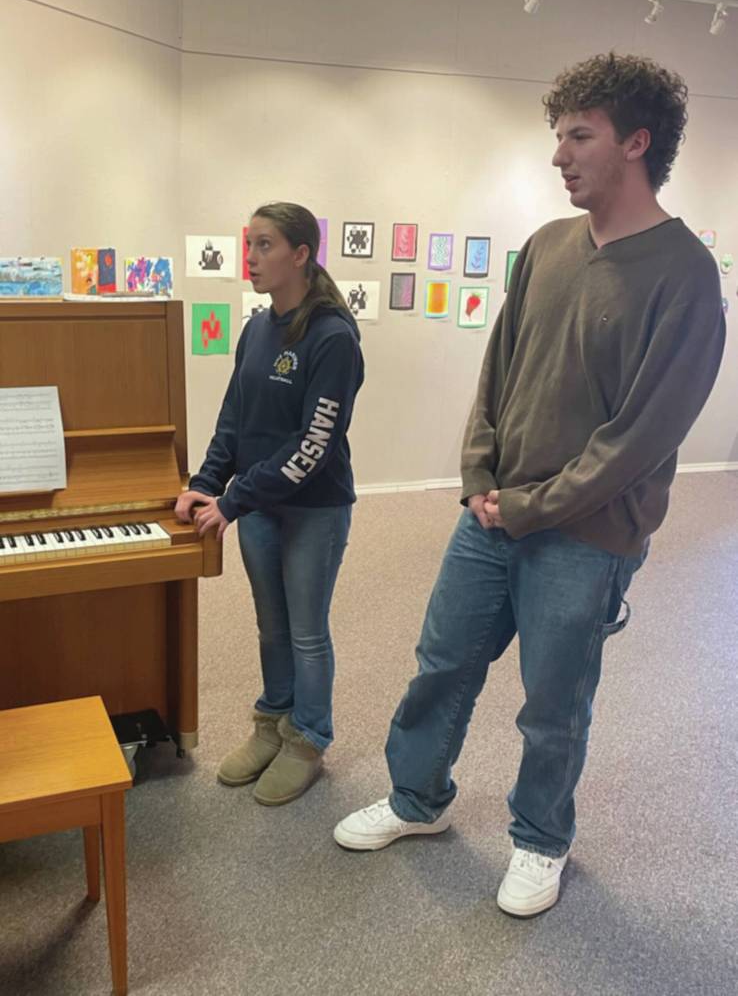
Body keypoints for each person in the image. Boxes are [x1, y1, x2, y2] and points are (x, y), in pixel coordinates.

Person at [334, 53, 726, 917]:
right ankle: (415, 799)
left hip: (585, 539)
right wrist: (480, 474)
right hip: (492, 515)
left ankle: (541, 839)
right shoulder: (548, 246)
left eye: (578, 135)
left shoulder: (686, 278)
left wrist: (530, 505)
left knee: (554, 704)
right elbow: (498, 371)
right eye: (558, 135)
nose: (559, 155)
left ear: (636, 141)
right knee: (441, 665)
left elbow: (639, 440)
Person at [176, 202, 364, 806]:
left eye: (264, 246)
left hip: (314, 509)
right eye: (248, 245)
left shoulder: (333, 337)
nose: (250, 258)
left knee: (307, 632)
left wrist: (233, 502)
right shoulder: (256, 328)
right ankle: (273, 723)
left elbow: (312, 446)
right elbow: (236, 417)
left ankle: (308, 739)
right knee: (271, 625)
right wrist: (207, 481)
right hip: (258, 506)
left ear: (301, 254)